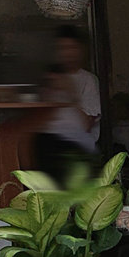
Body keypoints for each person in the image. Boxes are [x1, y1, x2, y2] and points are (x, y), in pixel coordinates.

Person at [35, 27, 101, 182]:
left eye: (71, 48)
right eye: (62, 48)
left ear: (81, 50)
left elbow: (86, 124)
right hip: (48, 147)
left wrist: (69, 93)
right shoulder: (49, 79)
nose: (67, 53)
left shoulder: (88, 80)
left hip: (77, 149)